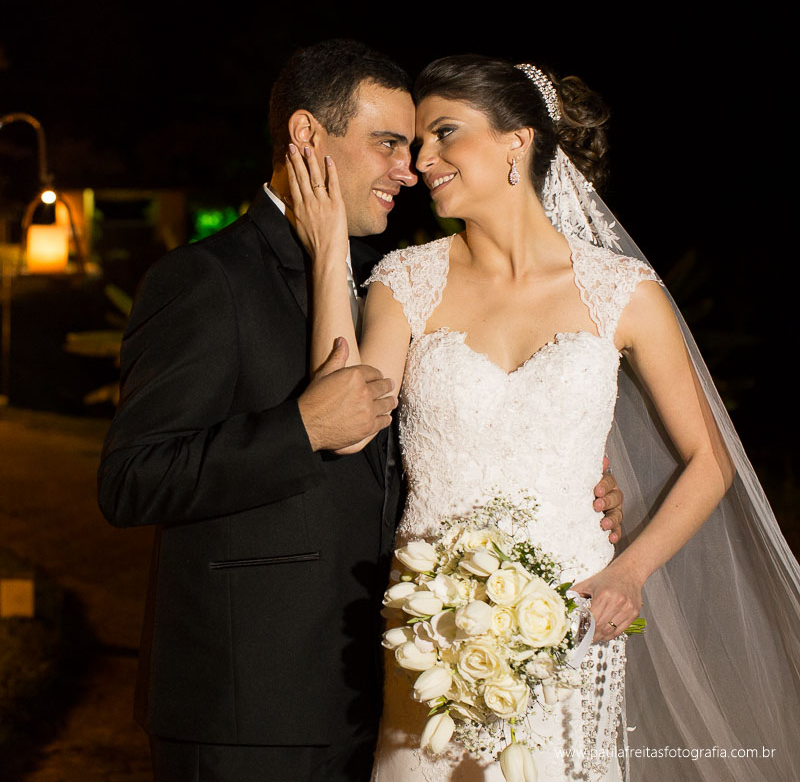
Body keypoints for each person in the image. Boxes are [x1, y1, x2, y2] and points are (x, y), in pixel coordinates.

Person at [98, 41, 624, 782]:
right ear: (308, 136)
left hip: (397, 686)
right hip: (249, 708)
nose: (409, 171)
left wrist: (574, 491)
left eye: (412, 148)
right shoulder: (204, 280)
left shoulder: (398, 280)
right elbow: (132, 478)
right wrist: (301, 428)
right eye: (387, 145)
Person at [285, 55, 800, 781]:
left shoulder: (622, 292)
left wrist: (631, 572)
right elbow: (349, 420)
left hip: (573, 620)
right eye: (413, 142)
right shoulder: (405, 282)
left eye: (443, 134)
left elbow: (711, 461)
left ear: (515, 143)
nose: (420, 159)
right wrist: (328, 248)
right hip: (430, 625)